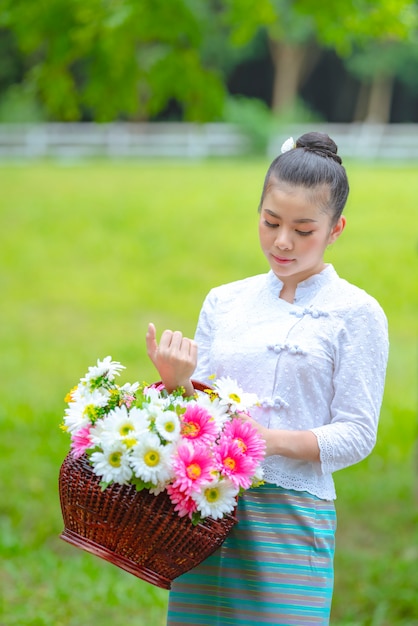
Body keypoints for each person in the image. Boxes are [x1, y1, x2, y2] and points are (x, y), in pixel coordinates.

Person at [145, 131, 389, 626]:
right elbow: (200, 421)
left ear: (336, 228)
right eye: (271, 222)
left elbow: (358, 434)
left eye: (304, 230)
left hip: (291, 520)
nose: (283, 241)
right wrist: (177, 384)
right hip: (208, 511)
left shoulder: (357, 313)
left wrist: (264, 441)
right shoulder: (224, 301)